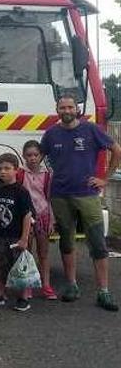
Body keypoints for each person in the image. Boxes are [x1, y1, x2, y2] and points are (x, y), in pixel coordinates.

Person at [40, 94, 120, 310]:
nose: (66, 110)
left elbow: (116, 150)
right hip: (60, 195)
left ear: (77, 109)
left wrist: (104, 178)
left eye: (69, 107)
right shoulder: (51, 134)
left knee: (97, 243)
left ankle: (103, 291)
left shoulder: (90, 129)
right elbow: (39, 158)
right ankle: (71, 285)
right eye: (62, 107)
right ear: (57, 110)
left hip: (87, 195)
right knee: (67, 242)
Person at [0, 153, 35, 312]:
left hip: (16, 236)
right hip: (1, 235)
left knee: (20, 268)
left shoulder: (21, 191)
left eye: (7, 168)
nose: (2, 172)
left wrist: (24, 238)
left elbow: (27, 215)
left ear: (16, 170)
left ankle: (23, 298)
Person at [19, 140, 56, 300]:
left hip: (43, 215)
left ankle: (46, 285)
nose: (33, 158)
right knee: (26, 252)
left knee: (44, 253)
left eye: (36, 155)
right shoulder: (20, 174)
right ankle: (27, 286)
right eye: (29, 155)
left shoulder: (47, 175)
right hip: (26, 216)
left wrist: (52, 220)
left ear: (41, 156)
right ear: (23, 156)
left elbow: (49, 198)